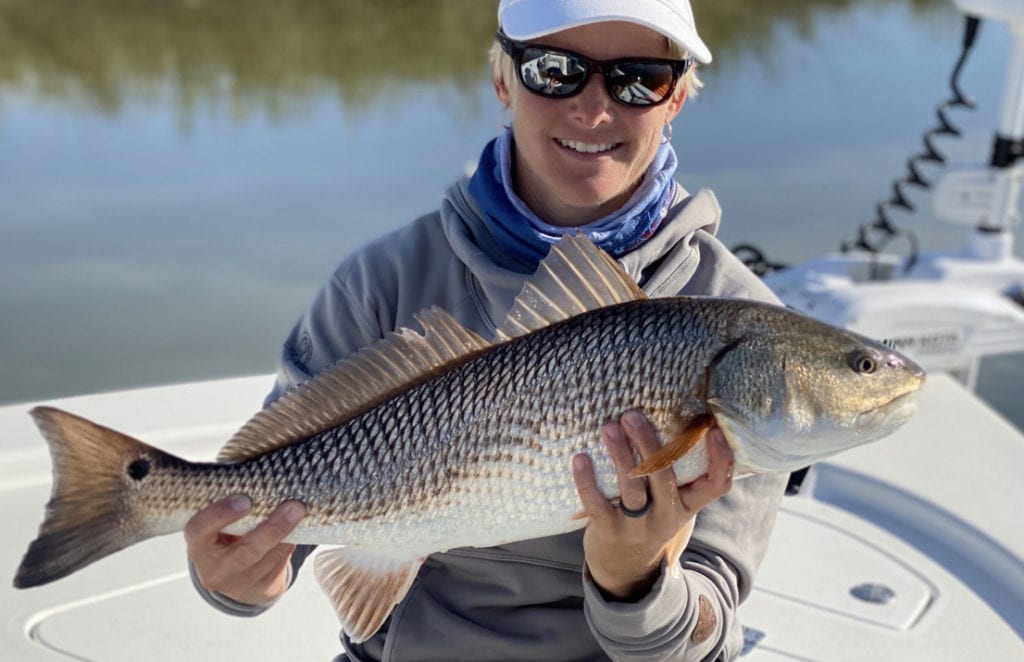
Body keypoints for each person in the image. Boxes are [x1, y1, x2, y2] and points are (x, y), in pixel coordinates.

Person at [185, 1, 788, 659]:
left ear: (675, 99)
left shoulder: (743, 333)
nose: (592, 110)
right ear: (504, 80)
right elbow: (266, 537)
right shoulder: (381, 282)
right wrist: (238, 576)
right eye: (556, 71)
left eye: (638, 77)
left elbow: (705, 637)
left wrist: (634, 579)